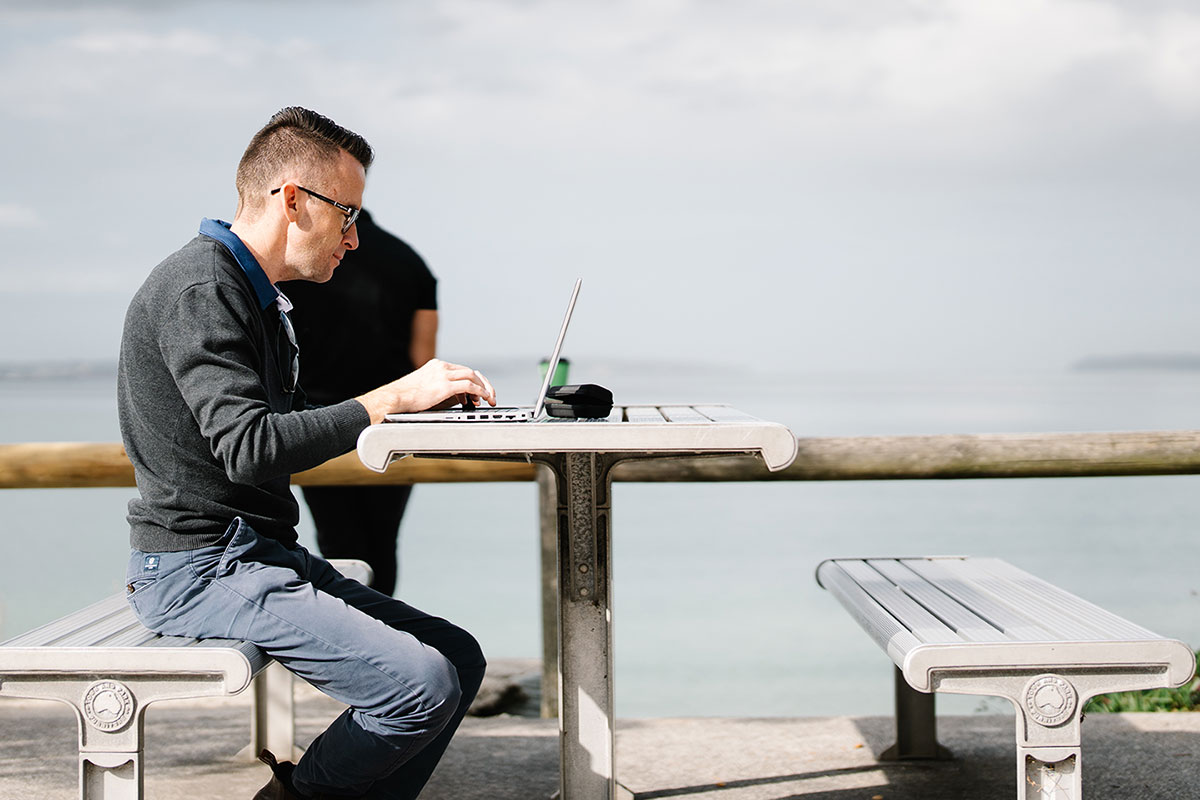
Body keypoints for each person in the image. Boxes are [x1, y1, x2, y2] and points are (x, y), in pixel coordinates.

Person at [117, 106, 496, 800]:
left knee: (455, 656)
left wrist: (405, 414)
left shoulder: (255, 295)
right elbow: (249, 447)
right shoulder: (203, 289)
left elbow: (275, 430)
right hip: (198, 566)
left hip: (253, 550)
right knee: (420, 686)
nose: (353, 240)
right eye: (347, 215)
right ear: (293, 199)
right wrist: (388, 400)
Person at [282, 210, 437, 596]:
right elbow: (424, 363)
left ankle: (354, 633)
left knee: (337, 541)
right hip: (394, 425)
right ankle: (387, 631)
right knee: (383, 540)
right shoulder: (410, 261)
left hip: (317, 420)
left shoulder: (302, 266)